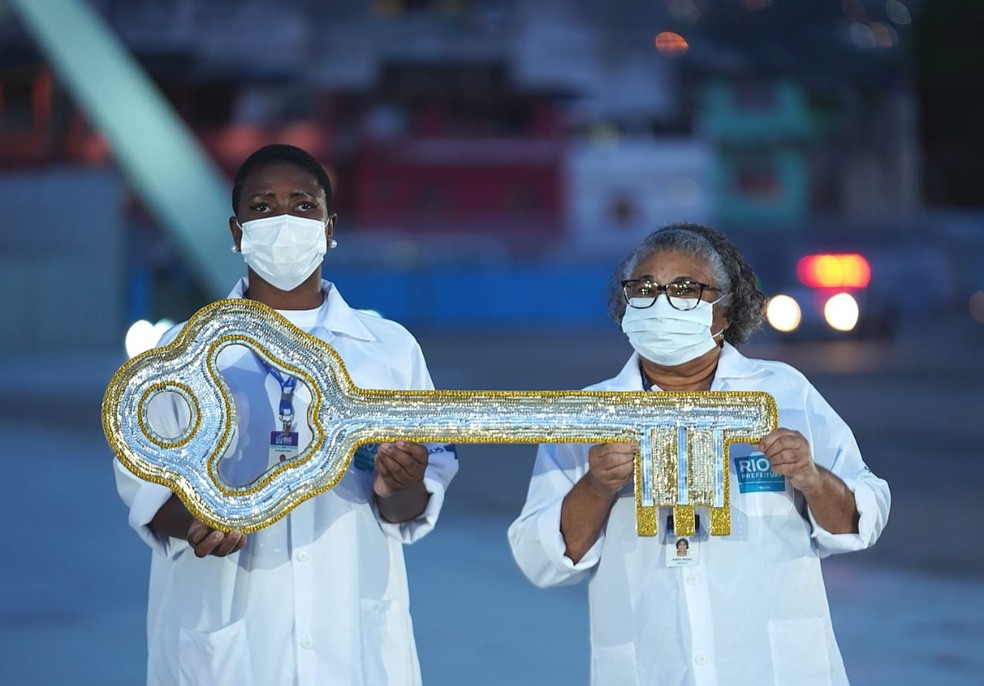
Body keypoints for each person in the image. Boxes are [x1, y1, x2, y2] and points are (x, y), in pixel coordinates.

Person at [114, 143, 458, 685]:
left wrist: (402, 482)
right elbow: (148, 497)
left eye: (302, 206)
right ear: (236, 232)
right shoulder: (183, 354)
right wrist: (202, 521)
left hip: (354, 638)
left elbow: (412, 505)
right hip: (231, 632)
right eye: (262, 207)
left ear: (329, 225)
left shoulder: (388, 351)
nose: (283, 222)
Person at [507, 222, 890, 686]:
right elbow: (539, 559)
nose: (662, 302)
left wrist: (811, 476)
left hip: (775, 669)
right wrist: (597, 486)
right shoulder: (592, 415)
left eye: (685, 289)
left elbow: (863, 517)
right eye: (645, 288)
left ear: (723, 313)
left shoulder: (782, 393)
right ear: (626, 303)